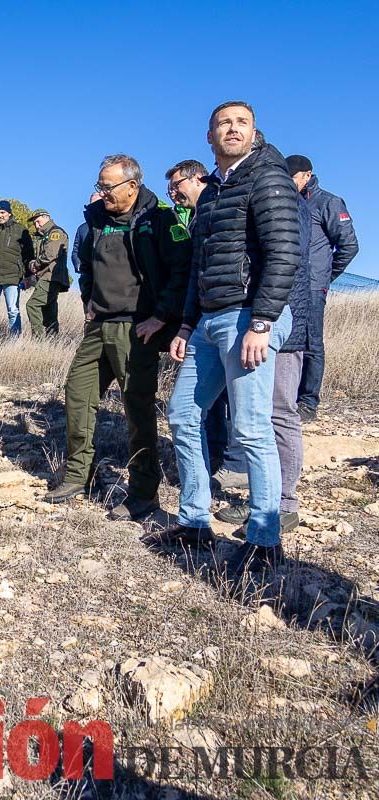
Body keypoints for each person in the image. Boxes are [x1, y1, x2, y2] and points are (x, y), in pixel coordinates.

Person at [162, 101, 300, 584]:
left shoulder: (267, 177)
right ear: (209, 136)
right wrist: (185, 325)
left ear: (254, 132)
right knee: (182, 413)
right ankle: (194, 521)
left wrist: (261, 323)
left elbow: (285, 251)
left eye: (242, 122)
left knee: (251, 427)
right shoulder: (215, 191)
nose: (233, 129)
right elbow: (200, 267)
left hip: (249, 318)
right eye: (224, 123)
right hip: (208, 320)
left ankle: (266, 540)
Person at [44, 155, 191, 521]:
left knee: (137, 409)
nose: (101, 193)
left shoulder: (158, 220)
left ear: (132, 186)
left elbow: (181, 270)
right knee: (77, 394)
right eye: (100, 185)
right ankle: (79, 474)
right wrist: (88, 300)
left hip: (136, 328)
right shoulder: (96, 222)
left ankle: (143, 492)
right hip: (99, 326)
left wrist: (160, 317)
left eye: (107, 186)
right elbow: (86, 267)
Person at [214, 173, 314, 534]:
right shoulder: (253, 199)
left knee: (279, 412)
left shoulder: (283, 199)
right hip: (254, 319)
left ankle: (283, 504)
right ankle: (261, 498)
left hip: (283, 325)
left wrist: (269, 320)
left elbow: (286, 266)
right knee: (255, 414)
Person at [166, 159, 249, 491]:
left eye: (177, 185)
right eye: (170, 188)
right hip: (203, 317)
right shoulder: (195, 217)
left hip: (235, 313)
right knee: (202, 400)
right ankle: (213, 458)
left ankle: (239, 466)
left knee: (237, 399)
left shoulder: (222, 207)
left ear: (197, 179)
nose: (173, 193)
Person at [287, 154, 360, 421]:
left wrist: (325, 277)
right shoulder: (286, 201)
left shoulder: (328, 202)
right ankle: (287, 400)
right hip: (288, 285)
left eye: (292, 177)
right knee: (287, 343)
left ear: (307, 175)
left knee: (311, 343)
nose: (288, 182)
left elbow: (349, 246)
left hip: (313, 286)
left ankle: (308, 402)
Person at [0, 200, 33, 342]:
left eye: (2, 212)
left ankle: (15, 341)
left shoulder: (20, 229)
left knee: (13, 310)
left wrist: (28, 276)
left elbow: (28, 255)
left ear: (9, 213)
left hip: (12, 277)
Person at [24, 210, 70, 337]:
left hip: (50, 277)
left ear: (47, 218)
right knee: (49, 311)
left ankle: (38, 339)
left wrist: (35, 264)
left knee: (32, 305)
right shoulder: (46, 235)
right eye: (34, 223)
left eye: (38, 221)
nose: (36, 225)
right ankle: (52, 341)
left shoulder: (55, 233)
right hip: (48, 276)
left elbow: (50, 254)